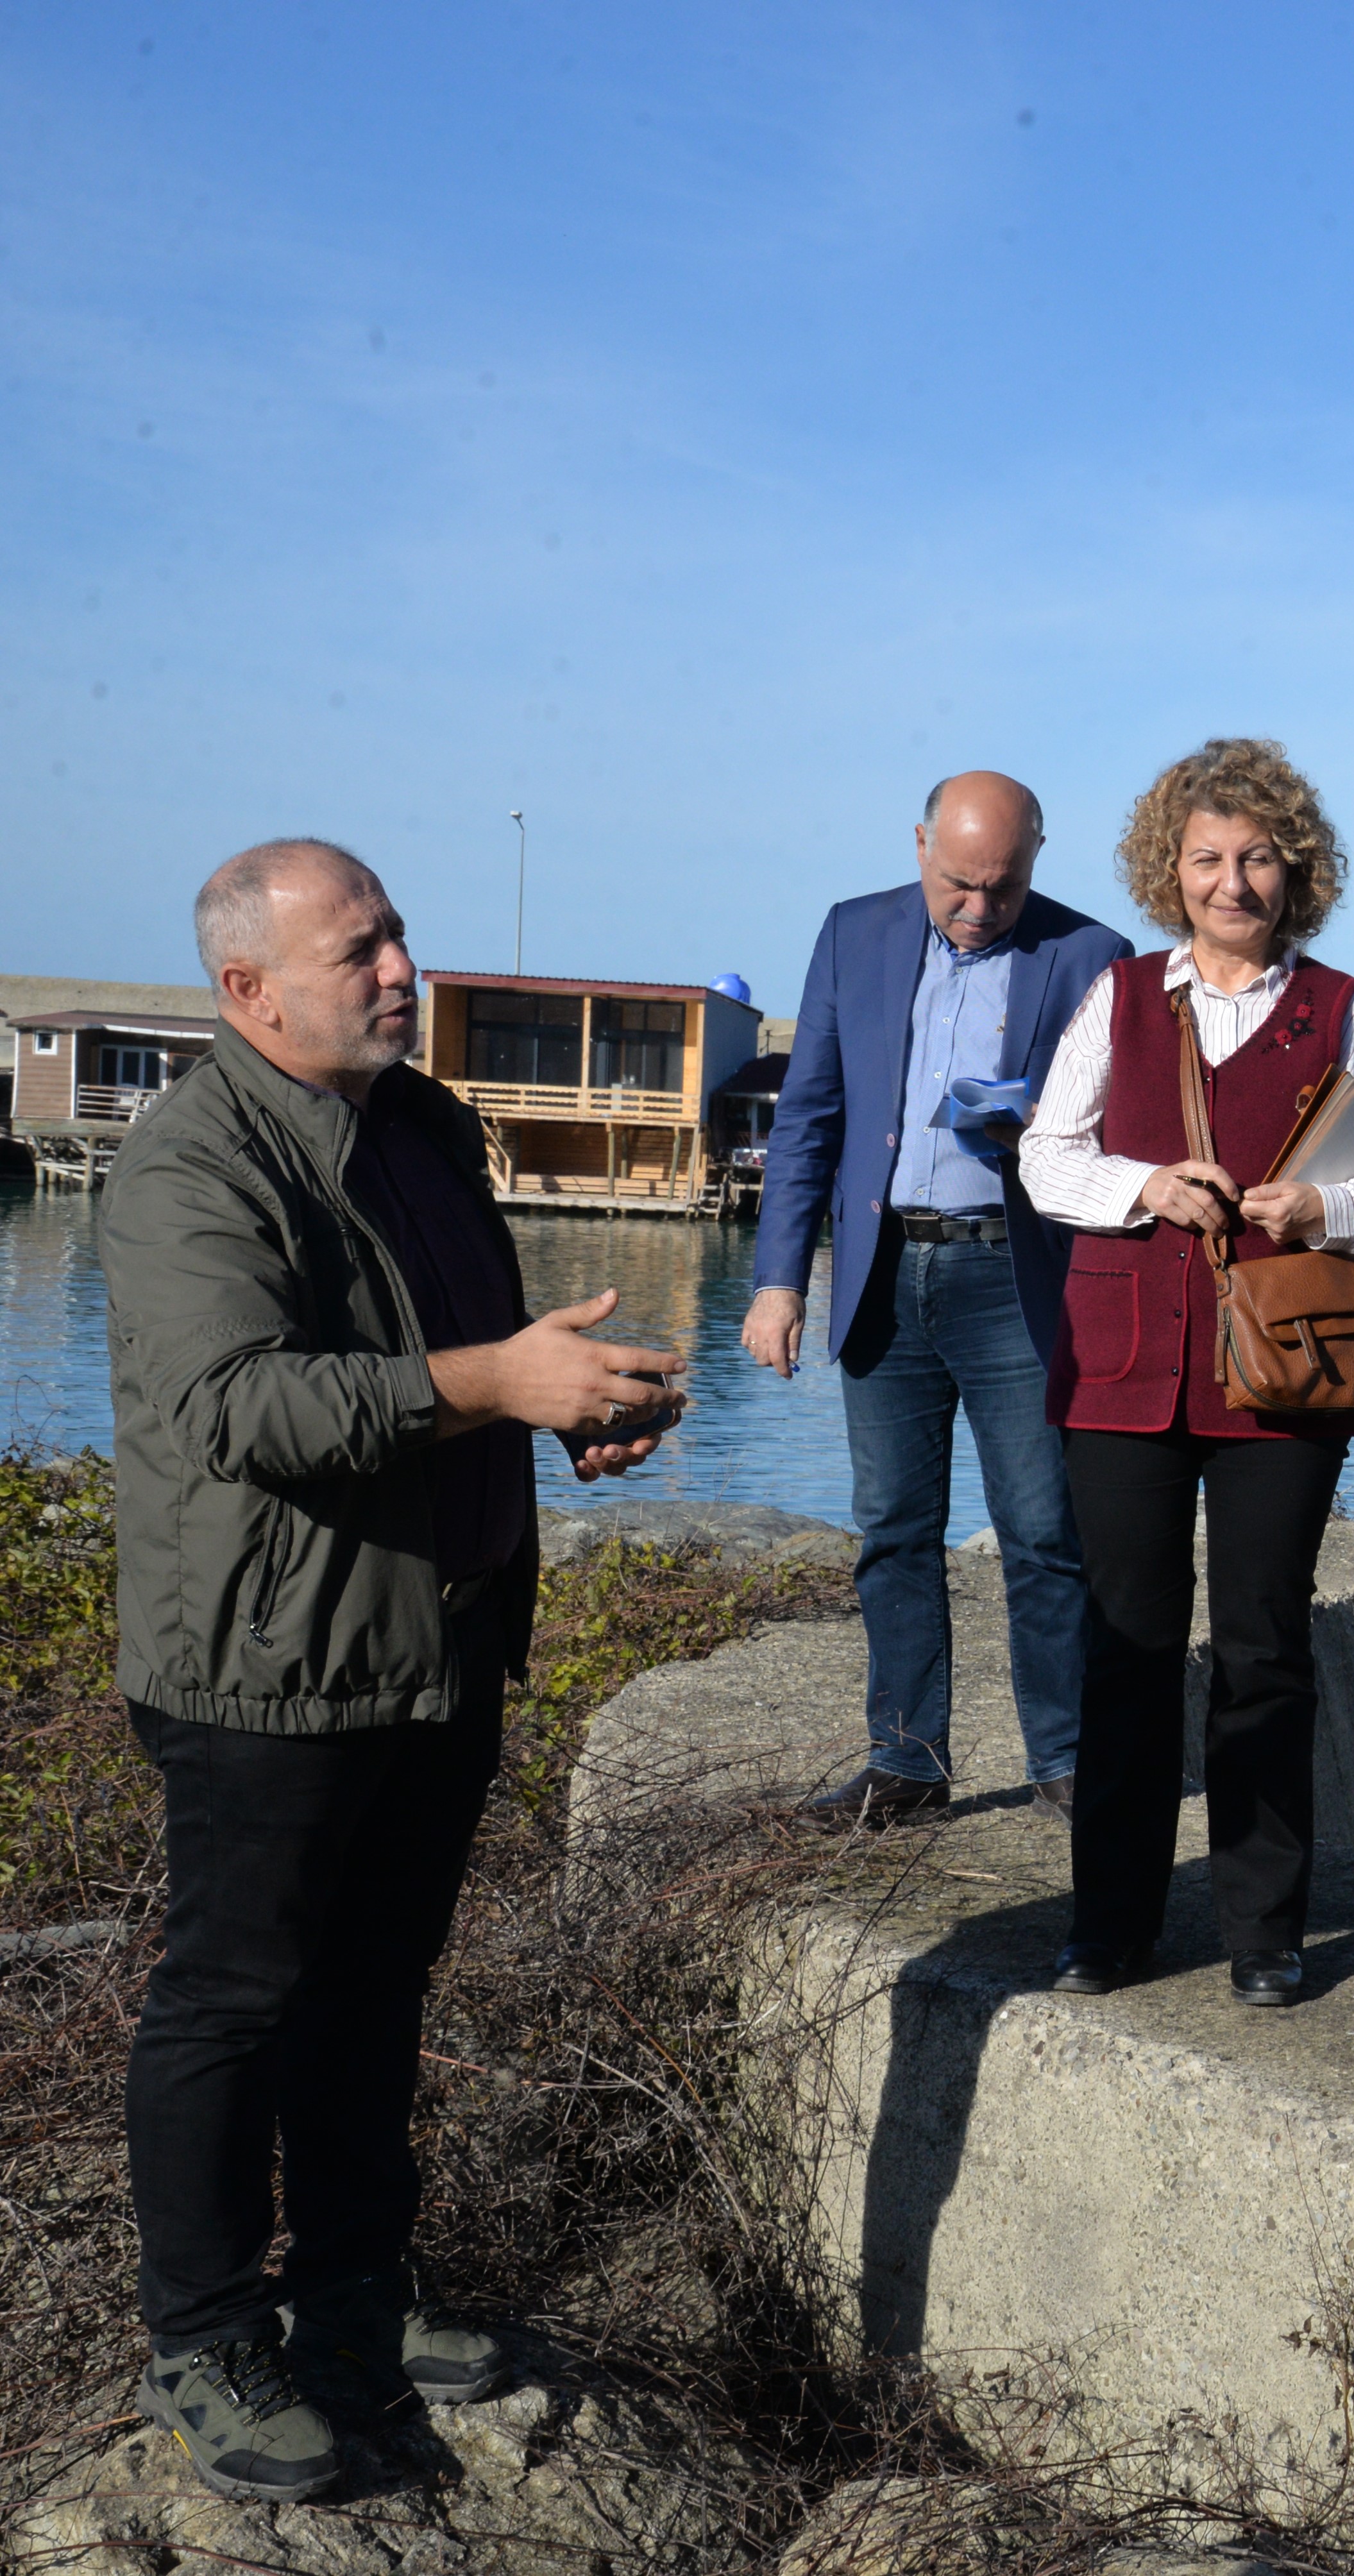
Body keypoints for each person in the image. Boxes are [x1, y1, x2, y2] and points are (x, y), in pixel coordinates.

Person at [104, 840, 684, 2503]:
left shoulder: (422, 1125)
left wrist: (562, 1411)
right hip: (269, 1662)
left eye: (397, 936)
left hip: (441, 1637)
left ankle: (356, 2290)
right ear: (248, 990)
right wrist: (497, 1383)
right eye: (357, 949)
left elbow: (453, 1359)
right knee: (233, 2004)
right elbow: (243, 1407)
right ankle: (207, 2339)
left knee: (374, 1993)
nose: (400, 969)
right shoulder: (190, 1166)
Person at [1015, 740, 1354, 2003]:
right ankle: (1108, 1924)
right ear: (1169, 872)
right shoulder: (1119, 995)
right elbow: (1046, 1156)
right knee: (1123, 1647)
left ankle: (1264, 1929)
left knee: (1263, 1650)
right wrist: (1146, 1187)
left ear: (1296, 870)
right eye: (1208, 859)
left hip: (1281, 1372)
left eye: (1259, 858)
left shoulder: (1342, 1007)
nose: (1234, 882)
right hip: (1122, 1369)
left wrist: (1324, 1210)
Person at [747, 772, 1131, 1828]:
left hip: (1015, 1276)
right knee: (891, 1530)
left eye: (1003, 887)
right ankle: (907, 1763)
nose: (978, 906)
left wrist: (1044, 1127)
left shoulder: (1094, 957)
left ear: (1037, 859)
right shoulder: (852, 933)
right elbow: (808, 1118)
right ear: (921, 845)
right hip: (880, 1273)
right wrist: (778, 1282)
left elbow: (1123, 1133)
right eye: (960, 882)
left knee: (1044, 1532)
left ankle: (1067, 1761)